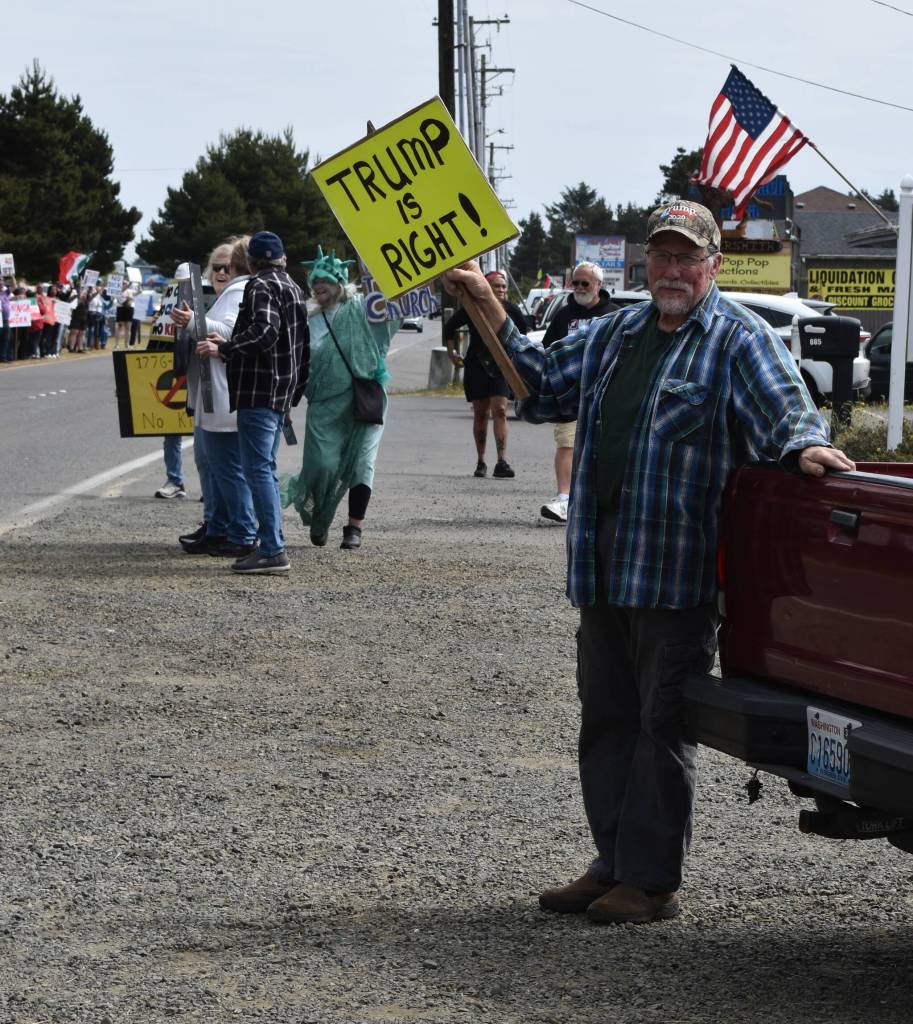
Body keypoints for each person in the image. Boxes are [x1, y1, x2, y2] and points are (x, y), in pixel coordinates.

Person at [443, 199, 855, 925]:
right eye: (661, 256)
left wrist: (803, 449)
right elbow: (536, 382)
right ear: (645, 263)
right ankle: (611, 862)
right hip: (603, 570)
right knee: (605, 721)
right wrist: (480, 298)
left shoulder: (738, 340)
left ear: (711, 265)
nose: (671, 270)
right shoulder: (618, 332)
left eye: (685, 257)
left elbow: (786, 412)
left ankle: (649, 878)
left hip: (674, 579)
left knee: (660, 730)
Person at [196, 230, 308, 575]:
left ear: (251, 262)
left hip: (258, 389)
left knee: (258, 470)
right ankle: (271, 543)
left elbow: (265, 331)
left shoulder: (260, 286)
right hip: (280, 391)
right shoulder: (292, 287)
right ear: (282, 258)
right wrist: (295, 392)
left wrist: (226, 348)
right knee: (264, 470)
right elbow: (302, 346)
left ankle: (273, 549)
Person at [281, 246, 398, 551]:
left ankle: (354, 527)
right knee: (321, 465)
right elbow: (296, 364)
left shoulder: (362, 309)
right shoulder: (307, 321)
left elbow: (394, 310)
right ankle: (321, 516)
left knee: (362, 463)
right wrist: (285, 402)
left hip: (365, 400)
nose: (318, 285)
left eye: (325, 280)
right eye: (315, 281)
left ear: (340, 282)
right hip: (324, 406)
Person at [171, 238, 257, 557]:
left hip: (224, 397)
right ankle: (219, 526)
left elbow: (231, 334)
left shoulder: (238, 293)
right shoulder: (223, 296)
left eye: (226, 267)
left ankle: (241, 531)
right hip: (210, 397)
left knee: (229, 469)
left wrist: (193, 321)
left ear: (238, 268)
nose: (220, 272)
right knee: (212, 466)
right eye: (215, 267)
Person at [539, 263, 617, 524]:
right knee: (566, 443)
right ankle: (564, 497)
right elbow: (547, 350)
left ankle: (599, 500)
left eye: (586, 283)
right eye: (576, 283)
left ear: (599, 285)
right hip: (569, 394)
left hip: (605, 395)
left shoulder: (614, 315)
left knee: (603, 448)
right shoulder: (563, 316)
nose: (580, 288)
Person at [443, 270, 529, 479]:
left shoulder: (511, 310)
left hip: (501, 366)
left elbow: (525, 336)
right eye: (496, 285)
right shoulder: (473, 308)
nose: (500, 289)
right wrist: (452, 353)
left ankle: (502, 460)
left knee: (500, 409)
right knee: (480, 412)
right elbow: (450, 328)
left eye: (503, 286)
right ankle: (481, 461)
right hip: (476, 364)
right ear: (487, 287)